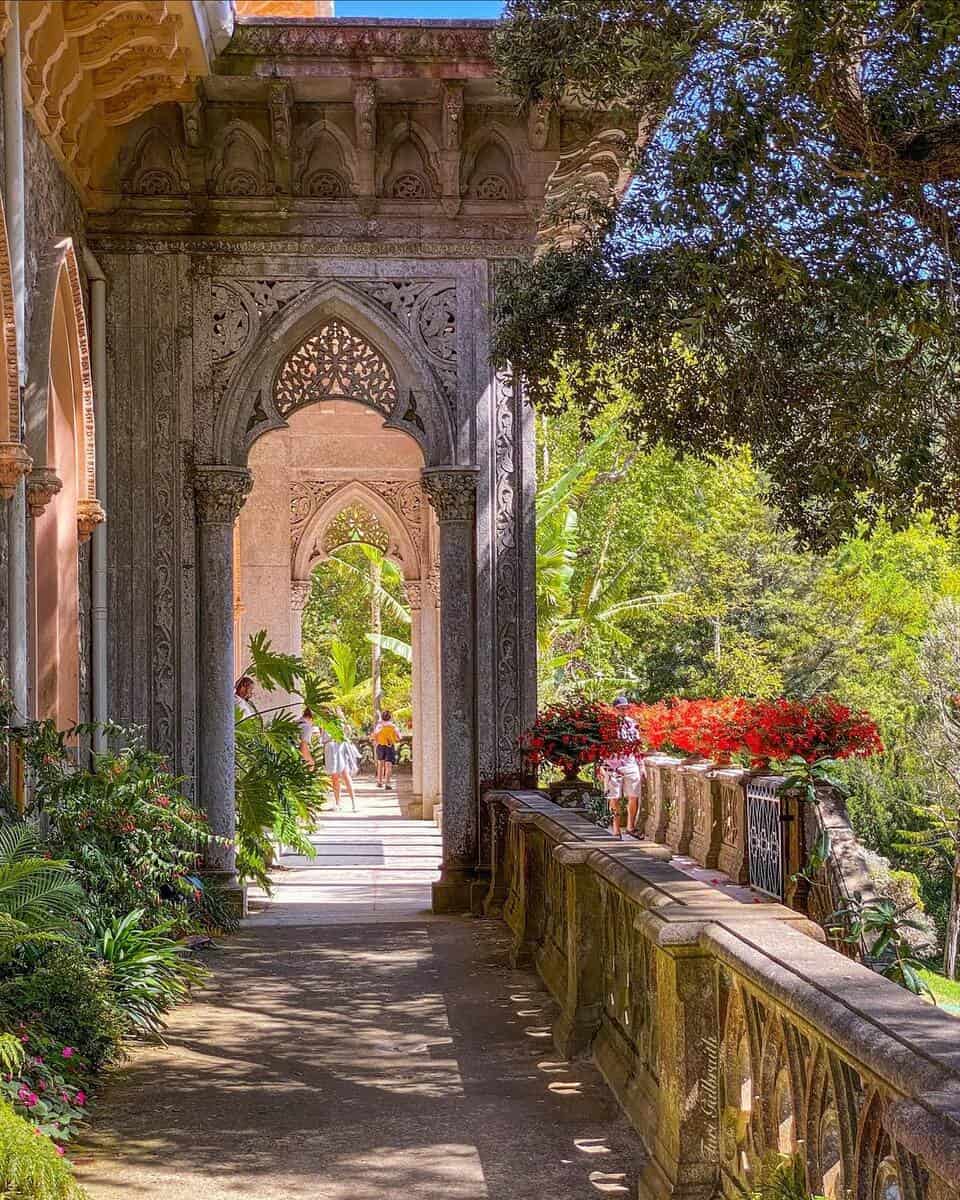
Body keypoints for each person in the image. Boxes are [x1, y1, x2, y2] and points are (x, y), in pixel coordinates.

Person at [601, 696, 644, 839]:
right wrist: (600, 766)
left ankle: (631, 827)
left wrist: (641, 765)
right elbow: (602, 747)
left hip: (630, 764)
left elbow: (637, 746)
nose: (624, 710)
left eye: (626, 708)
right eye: (621, 708)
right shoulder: (608, 725)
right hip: (612, 765)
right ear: (615, 710)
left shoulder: (632, 724)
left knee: (634, 796)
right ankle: (616, 828)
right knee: (614, 797)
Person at [321, 712, 360, 811]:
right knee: (334, 778)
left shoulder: (341, 724)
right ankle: (338, 803)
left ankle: (354, 802)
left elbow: (347, 733)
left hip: (339, 750)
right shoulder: (325, 725)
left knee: (345, 776)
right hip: (330, 751)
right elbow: (323, 739)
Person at [372, 709, 401, 790]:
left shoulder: (379, 726)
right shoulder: (393, 726)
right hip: (389, 746)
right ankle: (387, 783)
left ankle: (379, 782)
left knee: (380, 764)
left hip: (380, 746)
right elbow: (399, 737)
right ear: (390, 717)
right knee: (388, 765)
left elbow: (374, 736)